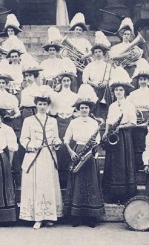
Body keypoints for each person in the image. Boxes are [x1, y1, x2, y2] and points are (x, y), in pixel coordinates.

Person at [19, 86, 63, 229]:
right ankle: (37, 218)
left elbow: (56, 137)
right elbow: (23, 139)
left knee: (48, 185)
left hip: (48, 156)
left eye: (45, 104)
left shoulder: (53, 121)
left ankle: (49, 216)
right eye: (40, 104)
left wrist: (57, 143)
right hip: (34, 157)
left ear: (48, 105)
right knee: (36, 185)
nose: (42, 107)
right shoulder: (29, 120)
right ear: (36, 105)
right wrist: (31, 145)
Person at [64, 91, 105, 228]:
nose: (84, 110)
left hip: (90, 154)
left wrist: (94, 146)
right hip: (77, 152)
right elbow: (66, 139)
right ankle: (76, 216)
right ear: (78, 109)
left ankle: (90, 217)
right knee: (78, 185)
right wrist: (71, 152)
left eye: (86, 108)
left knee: (91, 183)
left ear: (89, 109)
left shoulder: (94, 123)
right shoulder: (74, 122)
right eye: (82, 108)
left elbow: (97, 140)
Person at [102, 66, 137, 204]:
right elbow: (108, 121)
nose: (118, 92)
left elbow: (133, 123)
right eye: (116, 90)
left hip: (124, 138)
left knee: (124, 164)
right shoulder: (112, 106)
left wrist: (120, 127)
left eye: (121, 90)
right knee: (112, 164)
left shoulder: (129, 105)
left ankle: (124, 194)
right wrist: (106, 133)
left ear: (125, 91)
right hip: (113, 138)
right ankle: (112, 193)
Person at [49, 69, 79, 187]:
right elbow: (51, 110)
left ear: (71, 82)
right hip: (58, 122)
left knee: (69, 146)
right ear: (61, 82)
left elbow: (79, 110)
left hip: (70, 122)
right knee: (59, 148)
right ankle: (59, 179)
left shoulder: (75, 96)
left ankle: (69, 179)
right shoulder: (56, 96)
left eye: (68, 80)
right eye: (64, 81)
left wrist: (72, 115)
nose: (66, 83)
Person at [127, 61, 149, 169]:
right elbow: (129, 107)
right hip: (136, 119)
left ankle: (146, 164)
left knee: (146, 141)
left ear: (148, 81)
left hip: (148, 119)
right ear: (138, 81)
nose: (143, 81)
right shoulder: (133, 94)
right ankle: (136, 165)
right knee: (136, 141)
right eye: (141, 79)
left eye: (145, 79)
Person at [82, 31, 114, 119]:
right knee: (93, 110)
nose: (98, 53)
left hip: (105, 91)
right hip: (93, 90)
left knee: (104, 111)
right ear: (93, 54)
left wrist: (106, 82)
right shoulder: (89, 66)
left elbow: (113, 78)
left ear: (103, 53)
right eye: (96, 52)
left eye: (100, 51)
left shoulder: (108, 65)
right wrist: (93, 84)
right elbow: (85, 79)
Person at [40, 27, 76, 92]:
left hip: (58, 84)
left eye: (53, 50)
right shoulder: (43, 63)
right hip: (47, 84)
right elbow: (42, 76)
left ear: (56, 51)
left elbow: (62, 74)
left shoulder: (61, 61)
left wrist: (59, 84)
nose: (52, 52)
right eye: (50, 50)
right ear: (48, 51)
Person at [67, 12, 93, 91]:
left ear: (82, 32)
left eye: (80, 30)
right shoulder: (70, 40)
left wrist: (85, 55)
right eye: (77, 29)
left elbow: (92, 51)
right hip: (72, 64)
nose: (78, 31)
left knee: (81, 81)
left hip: (82, 63)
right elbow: (66, 53)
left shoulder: (85, 41)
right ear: (74, 30)